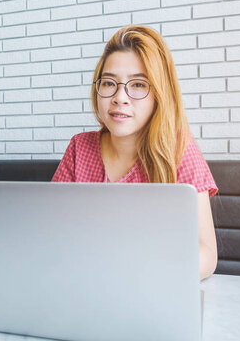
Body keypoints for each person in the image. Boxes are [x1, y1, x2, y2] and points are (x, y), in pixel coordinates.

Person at [52, 25, 218, 280]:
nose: (120, 97)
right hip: (85, 283)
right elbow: (50, 230)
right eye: (109, 83)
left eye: (138, 84)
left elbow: (206, 254)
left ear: (159, 95)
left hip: (151, 286)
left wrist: (143, 272)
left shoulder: (178, 148)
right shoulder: (79, 147)